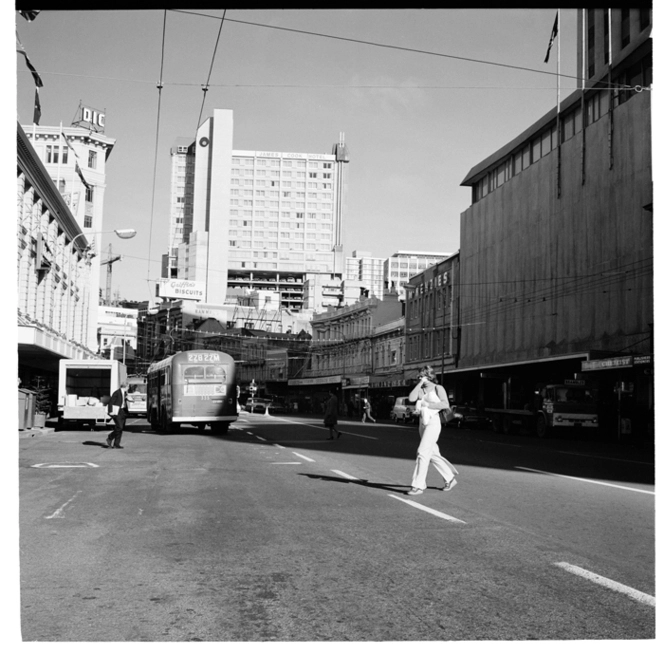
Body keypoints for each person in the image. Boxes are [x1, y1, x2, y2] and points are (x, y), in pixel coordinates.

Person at [407, 365, 458, 495]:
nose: (419, 377)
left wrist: (428, 405)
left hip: (433, 422)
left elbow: (445, 404)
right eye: (419, 375)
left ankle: (418, 486)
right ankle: (450, 478)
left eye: (422, 375)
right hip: (422, 423)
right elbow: (411, 398)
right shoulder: (420, 389)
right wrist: (420, 384)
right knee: (432, 454)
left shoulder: (438, 388)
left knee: (422, 452)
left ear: (429, 376)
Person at [106, 381, 130, 449]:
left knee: (120, 428)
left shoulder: (125, 393)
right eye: (128, 387)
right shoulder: (117, 393)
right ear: (125, 386)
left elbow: (123, 402)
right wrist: (110, 411)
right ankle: (110, 437)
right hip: (117, 412)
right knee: (119, 427)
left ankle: (116, 444)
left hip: (123, 411)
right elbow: (111, 402)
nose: (128, 388)